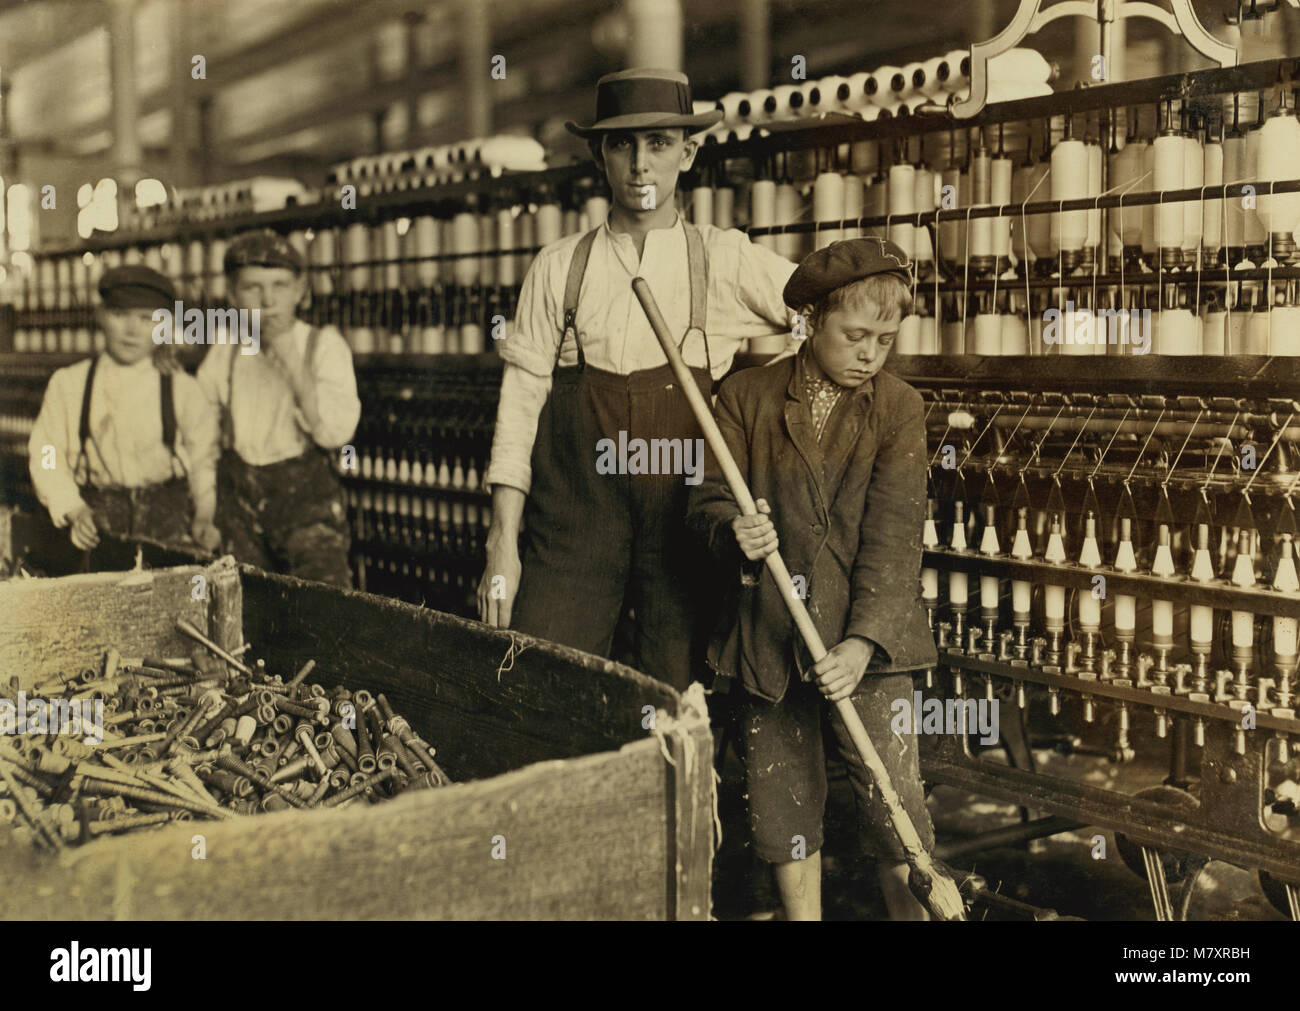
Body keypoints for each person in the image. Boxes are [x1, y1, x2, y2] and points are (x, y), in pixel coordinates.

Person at [476, 67, 797, 691]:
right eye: (622, 144)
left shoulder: (723, 258)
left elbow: (826, 304)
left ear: (689, 151)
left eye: (658, 144)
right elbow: (517, 411)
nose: (641, 165)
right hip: (572, 528)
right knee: (541, 677)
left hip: (682, 530)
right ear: (600, 154)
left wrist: (767, 408)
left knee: (678, 699)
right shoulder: (557, 268)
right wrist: (500, 547)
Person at [686, 237, 939, 920]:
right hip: (770, 638)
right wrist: (732, 533)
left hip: (872, 647)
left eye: (884, 340)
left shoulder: (899, 408)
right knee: (784, 807)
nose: (870, 353)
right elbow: (706, 500)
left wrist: (862, 644)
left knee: (895, 808)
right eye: (855, 335)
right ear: (810, 322)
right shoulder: (745, 396)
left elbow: (893, 542)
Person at [196, 229, 360, 587]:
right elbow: (201, 441)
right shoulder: (226, 351)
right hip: (240, 513)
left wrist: (291, 359)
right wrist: (205, 512)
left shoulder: (324, 345)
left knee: (322, 608)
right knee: (243, 610)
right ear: (232, 294)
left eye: (280, 285)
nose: (267, 299)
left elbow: (334, 433)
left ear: (301, 291)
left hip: (307, 512)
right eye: (253, 287)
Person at [28, 264, 220, 560]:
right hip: (97, 525)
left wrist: (204, 517)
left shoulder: (184, 389)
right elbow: (46, 454)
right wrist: (72, 508)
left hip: (167, 525)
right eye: (120, 315)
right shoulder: (69, 383)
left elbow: (202, 462)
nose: (132, 331)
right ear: (100, 315)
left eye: (147, 319)